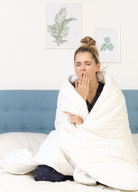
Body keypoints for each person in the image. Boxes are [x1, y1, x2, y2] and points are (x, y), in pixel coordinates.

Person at [34, 36, 105, 182]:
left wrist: (82, 120)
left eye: (87, 64)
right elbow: (62, 125)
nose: (82, 68)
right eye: (78, 64)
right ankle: (77, 171)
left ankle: (83, 170)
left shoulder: (107, 91)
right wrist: (80, 98)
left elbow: (108, 125)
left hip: (98, 144)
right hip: (71, 143)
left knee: (110, 172)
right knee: (43, 173)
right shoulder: (68, 90)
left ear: (97, 66)